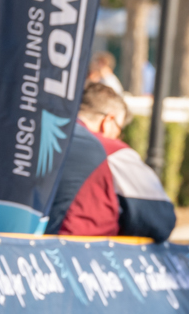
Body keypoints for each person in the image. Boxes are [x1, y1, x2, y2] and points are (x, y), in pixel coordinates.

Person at [45, 83, 175, 241]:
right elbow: (159, 219)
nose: (118, 137)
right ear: (108, 121)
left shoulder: (42, 134)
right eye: (119, 129)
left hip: (23, 245)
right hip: (80, 249)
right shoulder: (112, 151)